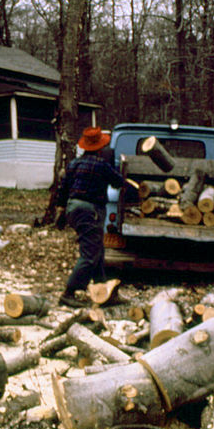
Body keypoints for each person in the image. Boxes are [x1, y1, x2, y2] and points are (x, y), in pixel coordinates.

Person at [56, 126, 125, 307]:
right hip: (90, 211)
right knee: (89, 255)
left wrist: (60, 210)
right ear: (100, 147)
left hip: (73, 207)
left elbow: (62, 189)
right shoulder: (102, 165)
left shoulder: (74, 164)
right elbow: (118, 182)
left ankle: (104, 291)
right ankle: (69, 292)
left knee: (97, 251)